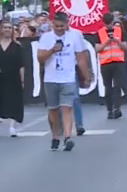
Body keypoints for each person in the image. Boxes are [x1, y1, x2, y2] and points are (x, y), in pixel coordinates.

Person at [37, 12, 92, 152]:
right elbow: (40, 58)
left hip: (68, 77)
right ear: (52, 24)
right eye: (56, 26)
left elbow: (81, 58)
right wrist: (52, 51)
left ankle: (68, 137)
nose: (59, 29)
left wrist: (86, 76)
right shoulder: (46, 38)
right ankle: (56, 136)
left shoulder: (74, 37)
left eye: (62, 26)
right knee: (53, 110)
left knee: (67, 108)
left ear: (67, 24)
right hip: (51, 78)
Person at [0, 21, 25, 137]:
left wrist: (22, 79)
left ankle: (12, 127)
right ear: (1, 30)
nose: (7, 30)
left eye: (9, 28)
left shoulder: (17, 46)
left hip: (13, 77)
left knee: (13, 101)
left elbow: (21, 64)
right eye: (5, 28)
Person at [96, 13, 127, 120]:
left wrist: (117, 41)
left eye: (110, 23)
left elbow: (125, 47)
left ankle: (117, 108)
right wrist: (106, 42)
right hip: (106, 63)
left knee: (117, 86)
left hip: (118, 61)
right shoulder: (99, 33)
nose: (109, 26)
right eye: (107, 24)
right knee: (108, 88)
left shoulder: (119, 31)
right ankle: (109, 110)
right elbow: (97, 49)